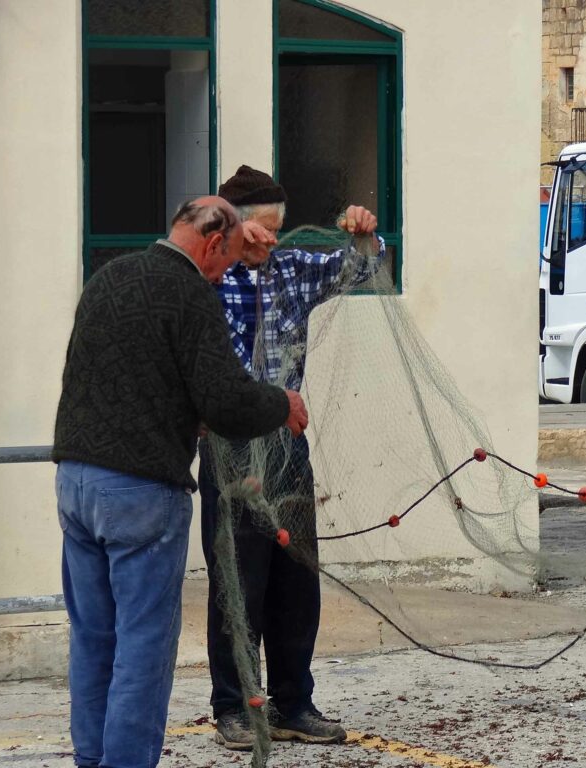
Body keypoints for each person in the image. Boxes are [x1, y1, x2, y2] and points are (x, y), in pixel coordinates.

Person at [53, 196, 309, 768]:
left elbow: (118, 374)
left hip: (75, 482)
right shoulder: (191, 291)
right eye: (228, 261)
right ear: (212, 244)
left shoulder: (110, 276)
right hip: (140, 491)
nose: (224, 276)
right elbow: (227, 402)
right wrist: (282, 403)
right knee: (142, 645)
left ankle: (91, 759)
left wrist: (183, 410)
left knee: (93, 637)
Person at [200, 166, 385, 750]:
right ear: (229, 226)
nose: (271, 240)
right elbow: (175, 255)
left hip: (286, 443)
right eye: (259, 229)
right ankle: (233, 705)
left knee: (295, 578)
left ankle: (292, 702)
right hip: (229, 446)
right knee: (237, 579)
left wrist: (363, 234)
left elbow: (360, 267)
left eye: (277, 229)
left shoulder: (292, 270)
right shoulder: (204, 277)